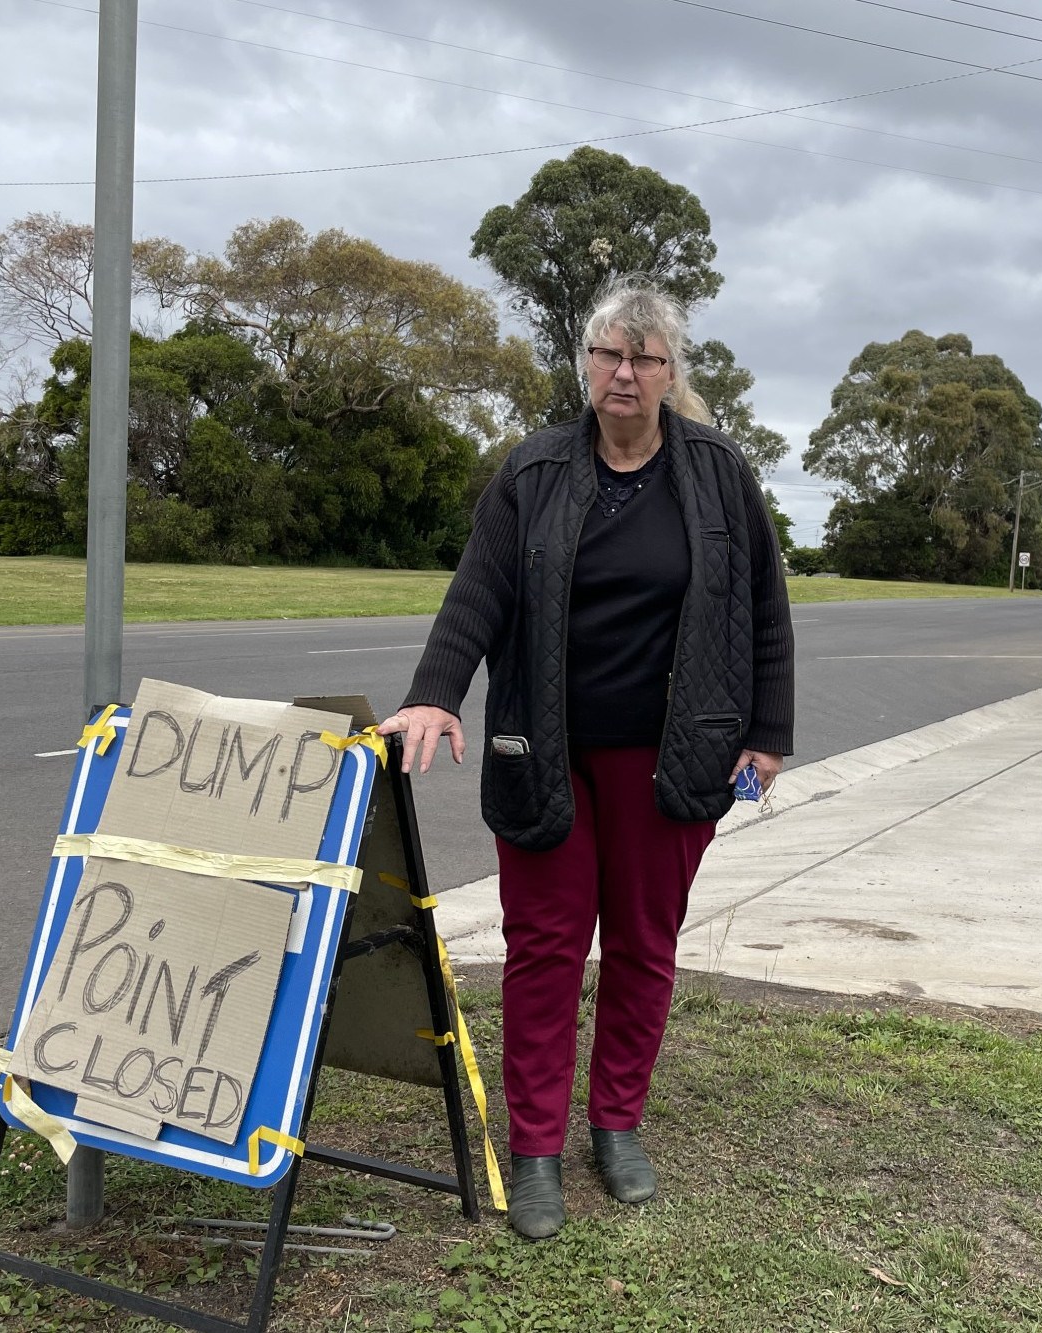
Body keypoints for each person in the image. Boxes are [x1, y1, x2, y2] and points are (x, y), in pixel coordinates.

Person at [378, 274, 794, 1240]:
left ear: (670, 374)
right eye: (610, 353)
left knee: (645, 947)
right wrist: (436, 692)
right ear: (587, 363)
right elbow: (476, 592)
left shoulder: (719, 472)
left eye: (646, 358)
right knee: (545, 950)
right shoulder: (535, 471)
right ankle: (535, 1149)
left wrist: (768, 734)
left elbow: (762, 607)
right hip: (548, 752)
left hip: (672, 758)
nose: (626, 372)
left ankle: (617, 1125)